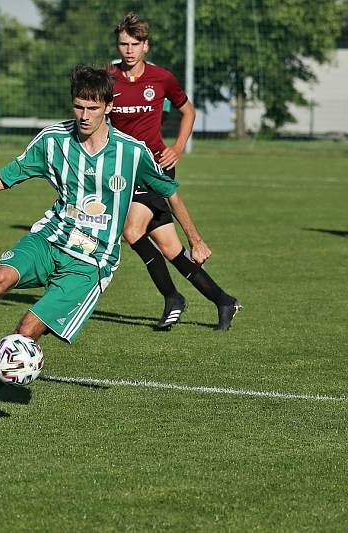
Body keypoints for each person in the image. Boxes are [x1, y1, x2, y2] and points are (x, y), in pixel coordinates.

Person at [0, 65, 200, 416]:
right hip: (50, 238)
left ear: (109, 107)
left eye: (92, 108)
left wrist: (195, 239)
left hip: (90, 263)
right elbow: (6, 176)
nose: (84, 116)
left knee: (27, 329)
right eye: (78, 106)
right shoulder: (53, 140)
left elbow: (170, 192)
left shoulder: (132, 153)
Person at [108, 12, 241, 331]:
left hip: (155, 164)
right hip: (124, 169)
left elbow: (188, 110)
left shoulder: (162, 78)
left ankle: (172, 298)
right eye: (124, 44)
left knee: (131, 231)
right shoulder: (107, 76)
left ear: (146, 46)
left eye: (135, 44)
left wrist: (178, 147)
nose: (129, 50)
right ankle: (223, 300)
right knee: (169, 246)